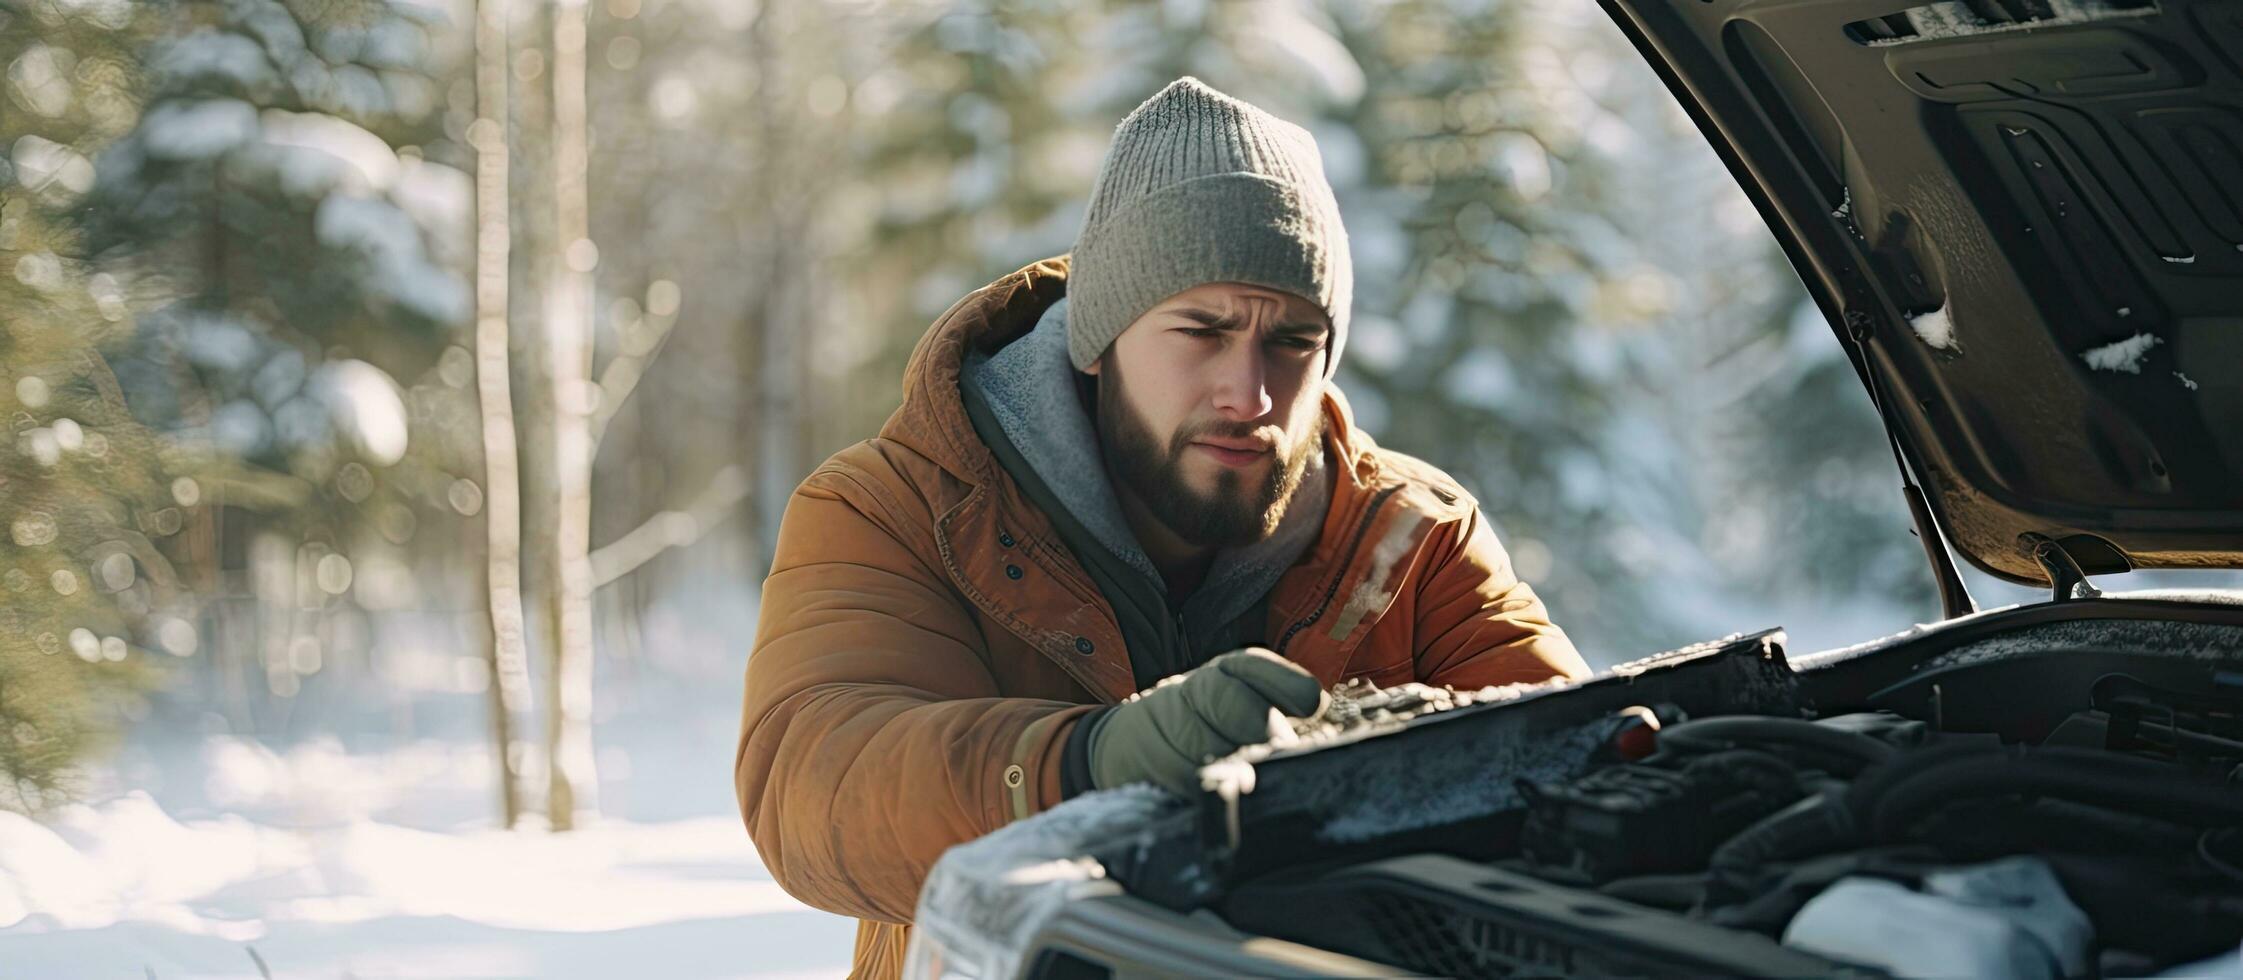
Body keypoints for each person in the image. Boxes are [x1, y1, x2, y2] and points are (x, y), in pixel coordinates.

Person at [735, 76, 1589, 978]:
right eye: (1200, 331)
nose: (1248, 394)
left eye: (1291, 342)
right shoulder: (899, 506)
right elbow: (811, 785)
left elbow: (1585, 762)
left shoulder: (1410, 535)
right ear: (1098, 339)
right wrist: (1082, 765)